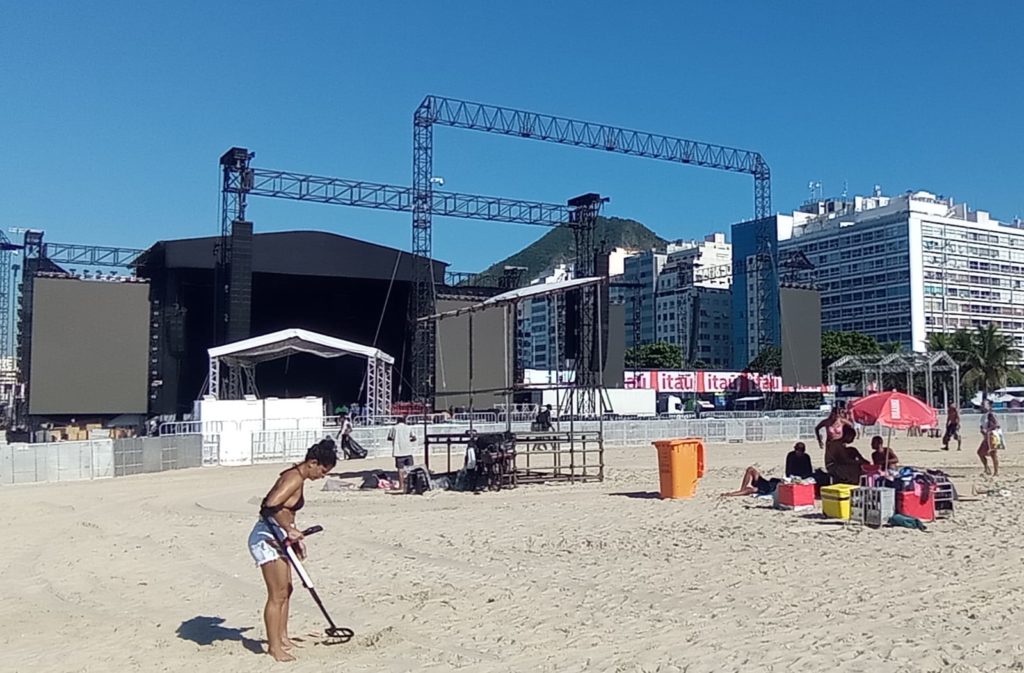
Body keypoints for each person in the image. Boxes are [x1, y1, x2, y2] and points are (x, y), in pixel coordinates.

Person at [248, 439, 337, 662]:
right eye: (322, 471)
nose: (322, 476)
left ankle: (283, 637)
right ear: (313, 463)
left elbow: (286, 510)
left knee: (287, 590)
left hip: (279, 536)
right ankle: (274, 647)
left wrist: (293, 534)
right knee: (277, 594)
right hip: (267, 538)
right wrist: (288, 529)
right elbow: (269, 504)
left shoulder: (298, 477)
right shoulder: (294, 477)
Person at [388, 416, 417, 491]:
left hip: (398, 452)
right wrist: (408, 440)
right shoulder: (408, 427)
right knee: (409, 470)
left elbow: (389, 438)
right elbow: (414, 438)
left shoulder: (394, 428)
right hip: (408, 451)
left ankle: (401, 486)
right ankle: (410, 485)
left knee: (400, 470)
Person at [978, 400, 1002, 476]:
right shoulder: (984, 415)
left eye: (984, 404)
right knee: (980, 453)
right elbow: (982, 425)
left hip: (992, 435)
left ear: (989, 406)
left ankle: (996, 472)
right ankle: (987, 469)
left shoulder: (991, 414)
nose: (982, 406)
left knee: (993, 454)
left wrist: (987, 430)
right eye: (982, 404)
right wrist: (982, 429)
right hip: (986, 437)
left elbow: (997, 425)